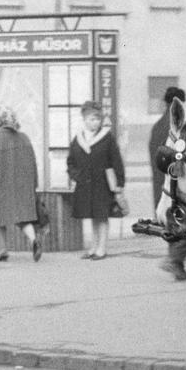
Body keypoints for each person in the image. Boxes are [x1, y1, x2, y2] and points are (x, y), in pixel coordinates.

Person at [67, 101, 125, 260]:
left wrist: (119, 183)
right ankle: (93, 246)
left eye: (98, 119)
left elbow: (116, 161)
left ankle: (102, 248)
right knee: (92, 215)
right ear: (84, 120)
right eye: (92, 119)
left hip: (103, 183)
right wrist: (76, 176)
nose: (95, 122)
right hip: (85, 184)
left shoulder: (107, 138)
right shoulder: (78, 139)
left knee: (102, 215)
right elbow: (70, 161)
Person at [0, 105, 41, 262]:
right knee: (22, 218)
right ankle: (33, 239)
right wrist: (34, 184)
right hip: (23, 185)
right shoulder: (25, 138)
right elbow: (33, 163)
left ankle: (2, 250)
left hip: (2, 185)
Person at [149, 86, 186, 280]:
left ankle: (177, 264)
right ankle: (174, 261)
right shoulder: (178, 126)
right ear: (179, 103)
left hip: (160, 184)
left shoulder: (157, 125)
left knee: (173, 223)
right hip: (176, 183)